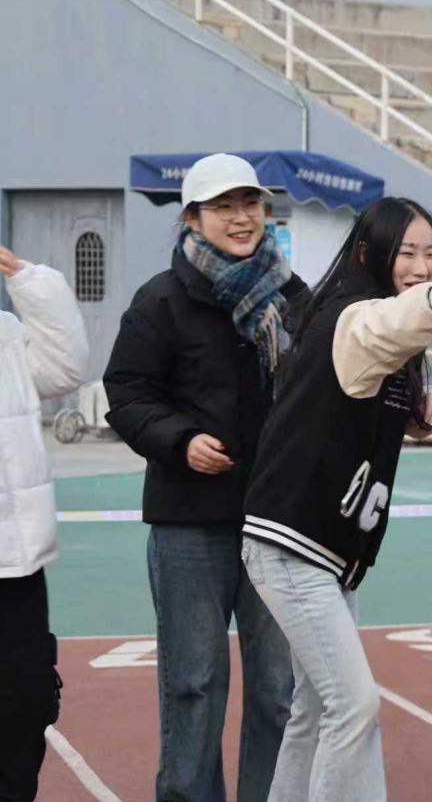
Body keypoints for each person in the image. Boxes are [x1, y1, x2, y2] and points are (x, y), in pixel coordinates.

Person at [240, 197, 432, 801]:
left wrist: (414, 419)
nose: (422, 267)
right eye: (408, 253)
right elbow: (398, 322)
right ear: (370, 255)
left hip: (326, 548)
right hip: (294, 542)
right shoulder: (355, 319)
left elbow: (364, 397)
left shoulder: (387, 346)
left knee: (316, 709)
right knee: (353, 705)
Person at [103, 153, 308, 802]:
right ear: (192, 218)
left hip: (276, 523)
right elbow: (126, 393)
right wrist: (181, 441)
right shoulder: (160, 300)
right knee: (192, 683)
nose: (241, 217)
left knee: (278, 690)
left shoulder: (292, 296)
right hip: (189, 523)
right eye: (223, 207)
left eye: (249, 203)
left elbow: (326, 385)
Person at [0, 247, 88, 802]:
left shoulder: (7, 336)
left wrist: (26, 279)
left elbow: (65, 368)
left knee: (26, 702)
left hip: (14, 560)